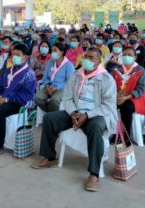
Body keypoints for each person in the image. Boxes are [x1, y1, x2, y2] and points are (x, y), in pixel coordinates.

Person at [31, 47, 117, 192]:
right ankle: (49, 158)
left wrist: (87, 115)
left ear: (99, 61)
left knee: (96, 127)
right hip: (75, 112)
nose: (87, 60)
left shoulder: (107, 79)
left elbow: (108, 105)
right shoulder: (76, 75)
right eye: (86, 56)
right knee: (49, 118)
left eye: (91, 57)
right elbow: (67, 98)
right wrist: (73, 113)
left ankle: (94, 174)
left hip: (95, 115)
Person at [110, 47, 145, 144]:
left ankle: (125, 136)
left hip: (135, 98)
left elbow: (141, 89)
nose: (126, 57)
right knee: (108, 105)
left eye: (130, 55)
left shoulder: (141, 70)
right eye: (124, 55)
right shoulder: (116, 69)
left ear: (135, 57)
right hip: (118, 96)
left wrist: (126, 97)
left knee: (126, 108)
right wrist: (117, 95)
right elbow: (110, 85)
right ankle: (114, 132)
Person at [35, 42, 74, 113]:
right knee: (38, 98)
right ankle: (49, 111)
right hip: (49, 87)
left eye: (55, 50)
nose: (53, 52)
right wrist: (47, 85)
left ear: (62, 52)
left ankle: (51, 114)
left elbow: (70, 82)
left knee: (54, 100)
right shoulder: (50, 62)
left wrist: (58, 87)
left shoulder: (69, 65)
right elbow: (45, 77)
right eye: (52, 50)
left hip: (61, 89)